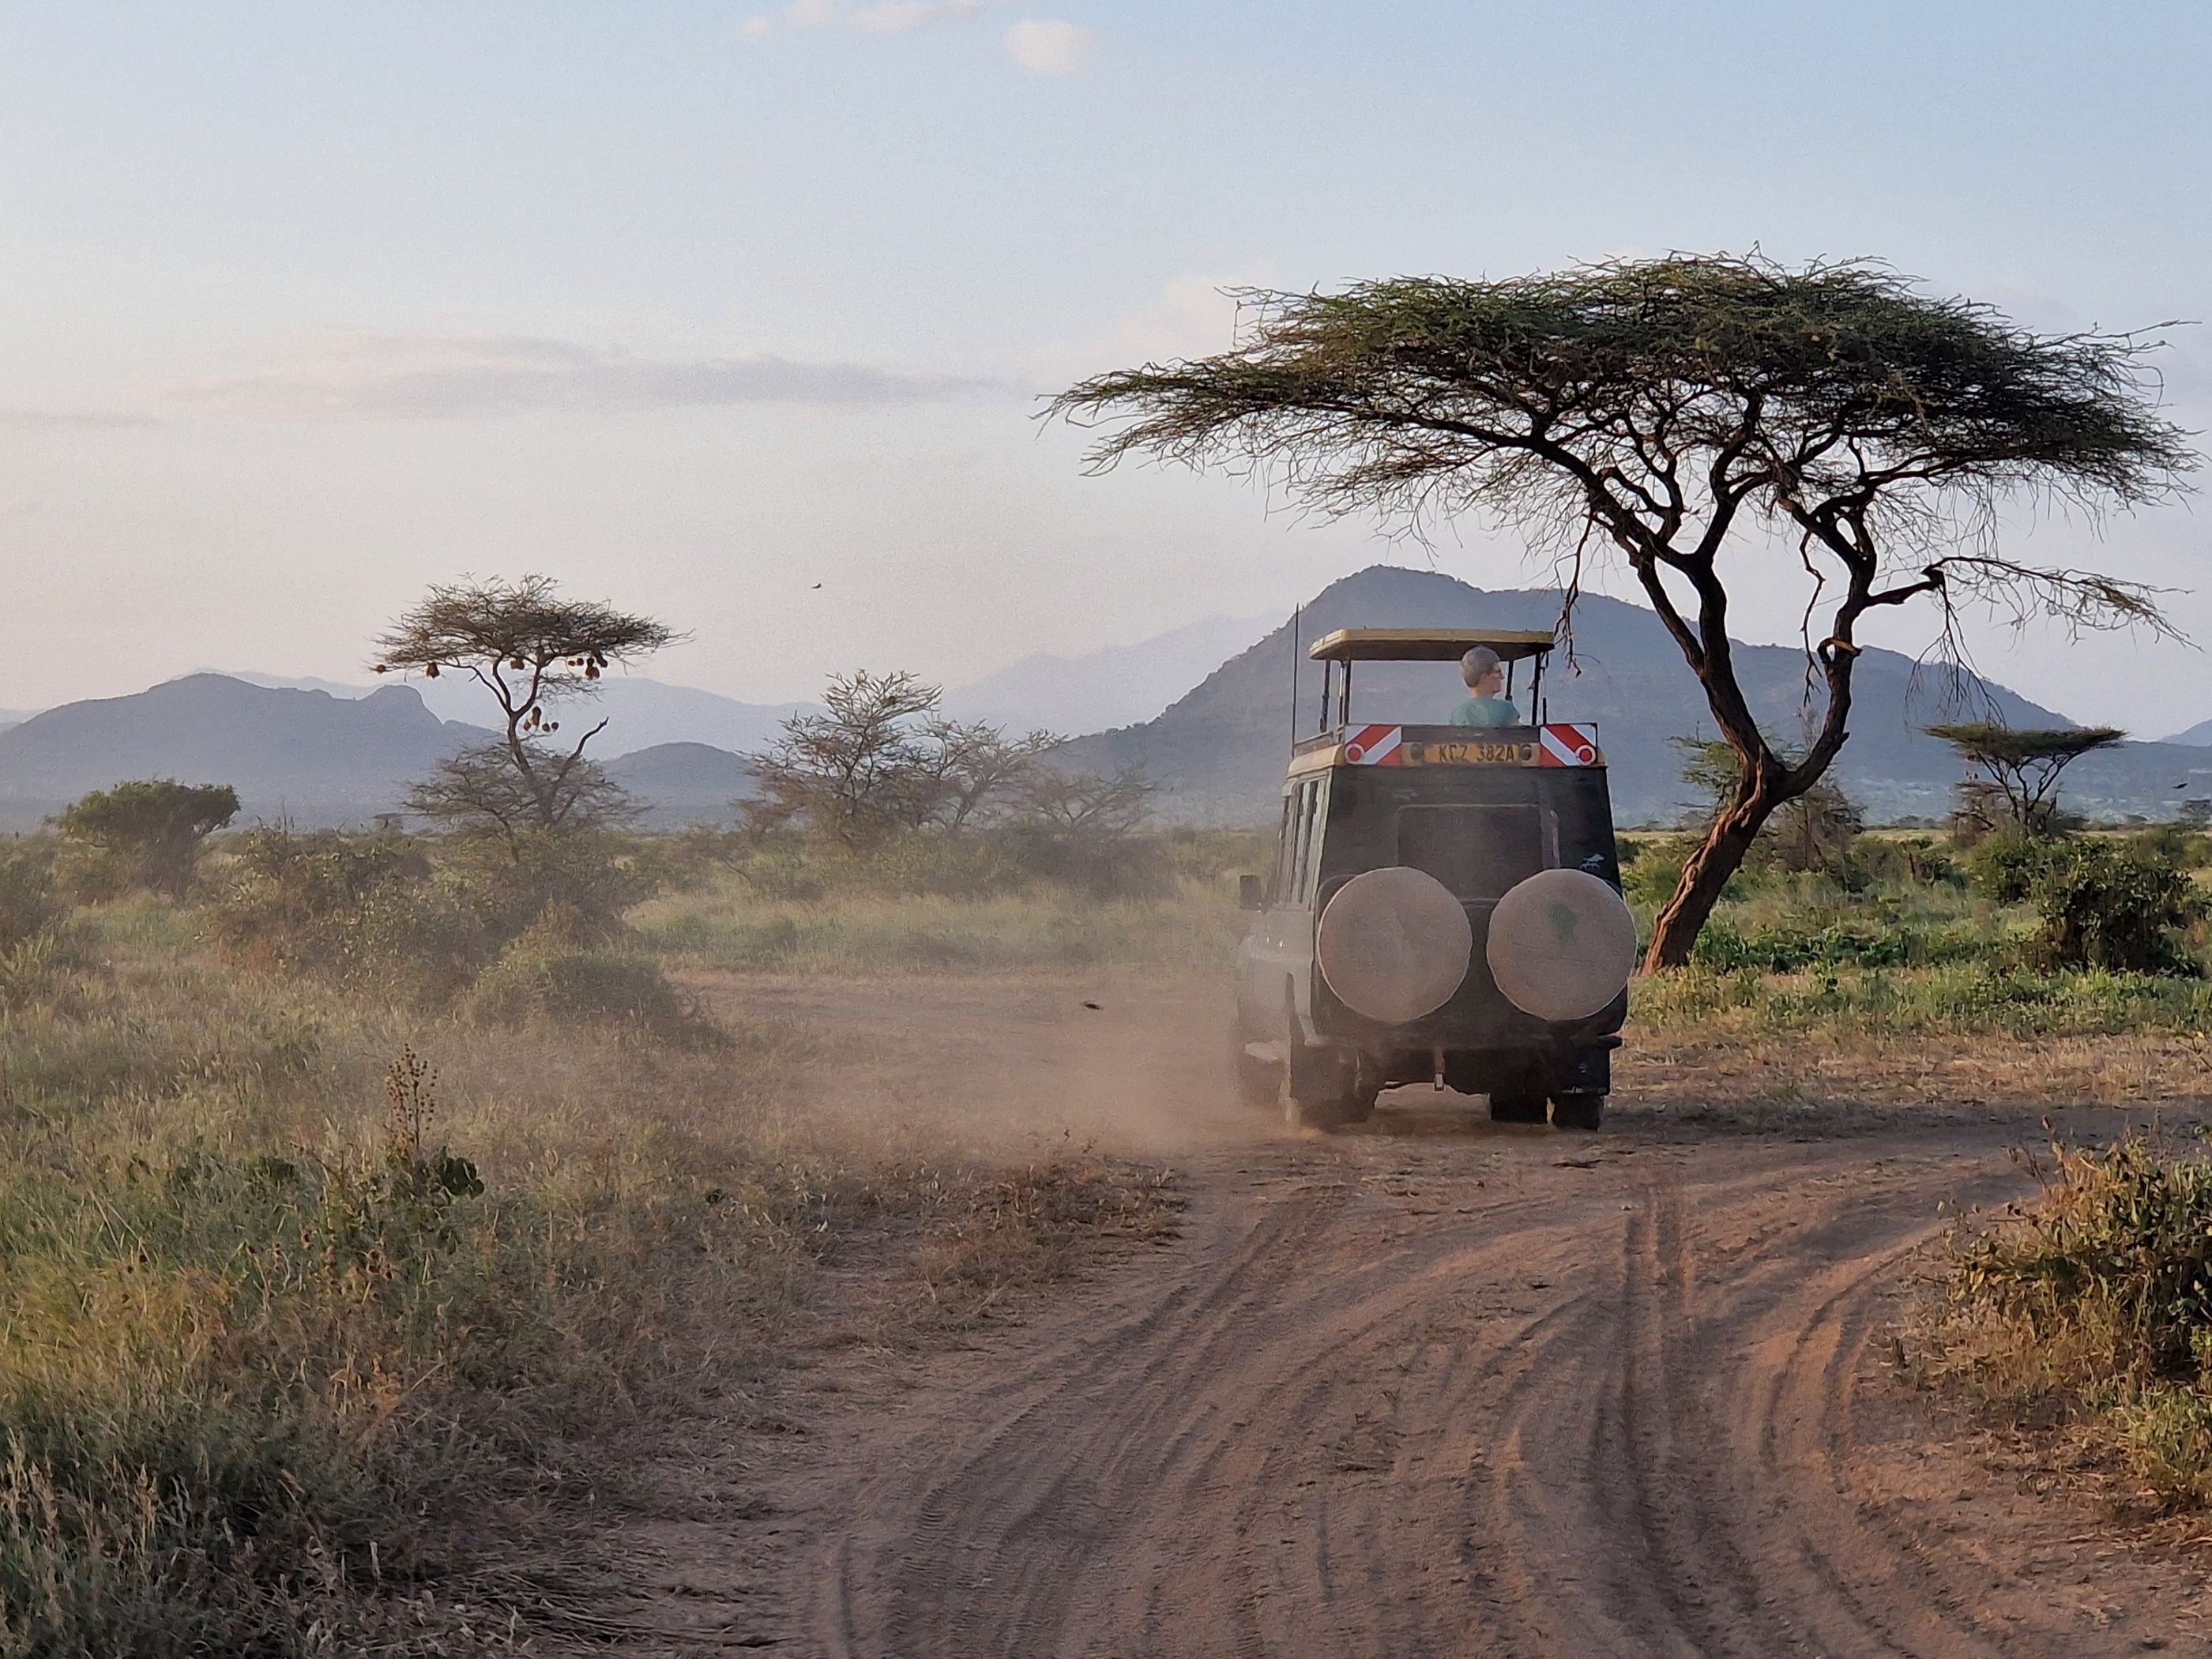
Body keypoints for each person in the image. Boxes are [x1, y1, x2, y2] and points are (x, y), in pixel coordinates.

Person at [1449, 645, 1522, 727]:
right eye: (1497, 672)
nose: (1502, 677)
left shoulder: (1457, 715)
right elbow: (1518, 733)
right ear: (1484, 678)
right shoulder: (1506, 709)